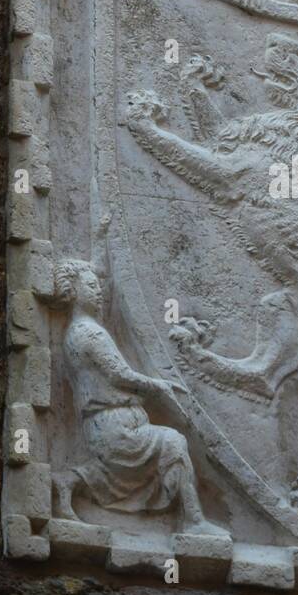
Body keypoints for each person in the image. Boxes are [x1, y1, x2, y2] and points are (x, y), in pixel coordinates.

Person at [51, 216, 225, 536]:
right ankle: (195, 521)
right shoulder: (91, 334)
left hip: (105, 426)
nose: (99, 290)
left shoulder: (77, 329)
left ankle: (67, 483)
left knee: (112, 473)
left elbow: (97, 269)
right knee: (173, 443)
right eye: (92, 287)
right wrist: (158, 386)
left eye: (98, 285)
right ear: (74, 292)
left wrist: (100, 232)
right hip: (116, 424)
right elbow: (120, 375)